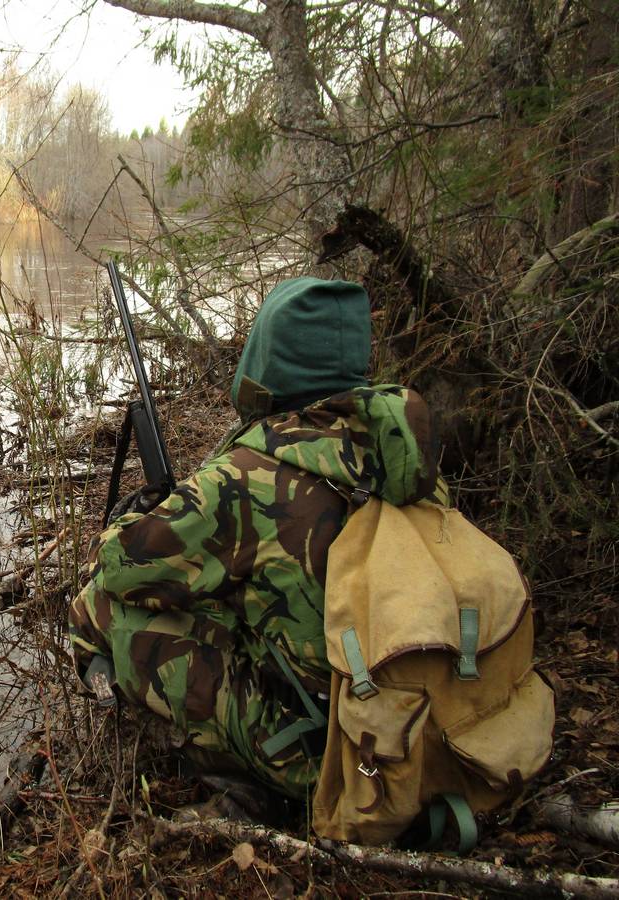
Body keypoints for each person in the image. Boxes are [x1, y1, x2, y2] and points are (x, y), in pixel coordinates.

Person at [69, 276, 448, 801]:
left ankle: (232, 774)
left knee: (101, 604)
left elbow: (121, 566)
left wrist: (132, 517)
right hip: (424, 725)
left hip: (336, 759)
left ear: (266, 360)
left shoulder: (250, 476)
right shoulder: (400, 457)